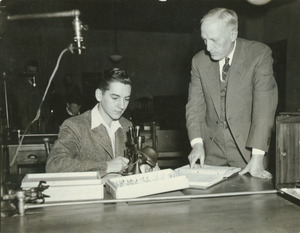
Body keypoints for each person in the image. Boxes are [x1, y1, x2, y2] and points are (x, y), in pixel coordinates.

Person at [185, 8, 278, 179]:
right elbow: (195, 107)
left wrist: (257, 156)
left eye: (214, 40)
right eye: (204, 40)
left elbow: (264, 109)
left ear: (233, 34)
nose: (208, 47)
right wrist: (197, 144)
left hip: (248, 152)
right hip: (211, 151)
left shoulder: (259, 55)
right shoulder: (198, 61)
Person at [46, 68, 132, 174]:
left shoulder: (127, 125)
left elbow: (130, 164)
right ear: (99, 95)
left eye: (126, 99)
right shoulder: (75, 126)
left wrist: (144, 166)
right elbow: (54, 164)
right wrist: (105, 166)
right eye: (115, 98)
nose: (122, 106)